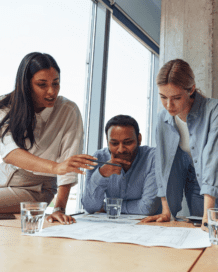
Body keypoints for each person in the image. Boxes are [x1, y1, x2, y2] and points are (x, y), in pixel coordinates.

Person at [0, 52, 97, 224]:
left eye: (56, 83)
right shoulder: (5, 105)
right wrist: (56, 167)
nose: (51, 91)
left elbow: (69, 161)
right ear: (26, 85)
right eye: (42, 84)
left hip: (36, 188)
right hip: (4, 176)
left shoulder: (68, 110)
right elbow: (10, 153)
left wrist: (59, 208)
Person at [142, 58, 218, 230]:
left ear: (191, 90)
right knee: (201, 236)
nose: (169, 105)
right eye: (163, 97)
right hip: (194, 184)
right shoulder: (163, 118)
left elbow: (214, 160)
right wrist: (166, 211)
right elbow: (163, 165)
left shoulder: (214, 110)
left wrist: (208, 215)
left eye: (176, 98)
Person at [81, 115, 161, 215]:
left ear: (139, 139)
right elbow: (90, 207)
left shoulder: (153, 158)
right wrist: (101, 174)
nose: (121, 149)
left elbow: (148, 207)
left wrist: (107, 207)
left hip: (150, 226)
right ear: (107, 141)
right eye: (114, 143)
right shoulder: (98, 158)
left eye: (128, 142)